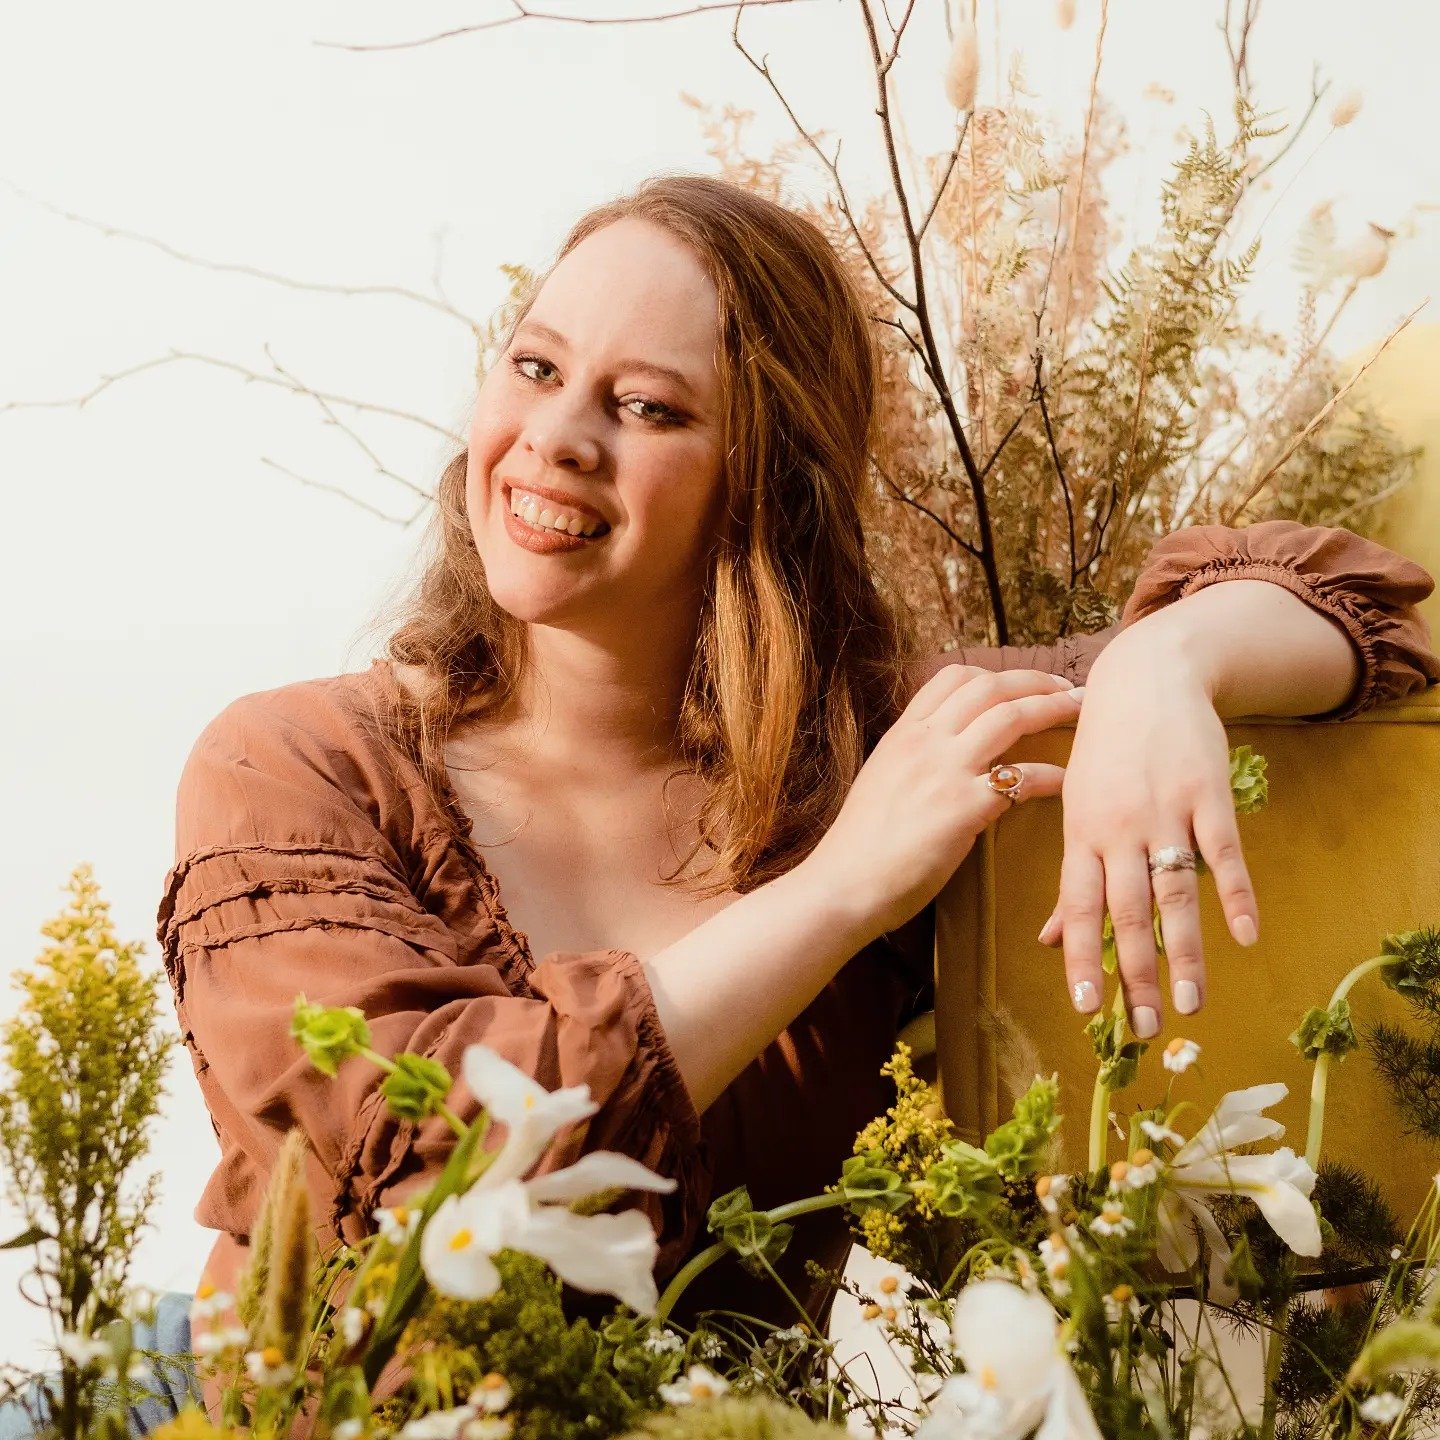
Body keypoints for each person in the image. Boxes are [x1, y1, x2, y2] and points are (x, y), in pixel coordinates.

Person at [154, 173, 1437, 1368]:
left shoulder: (877, 756)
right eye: (536, 367)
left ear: (764, 477)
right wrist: (838, 894)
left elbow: (1362, 609)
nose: (555, 436)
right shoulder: (298, 769)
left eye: (647, 406)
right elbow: (429, 1168)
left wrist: (1169, 665)